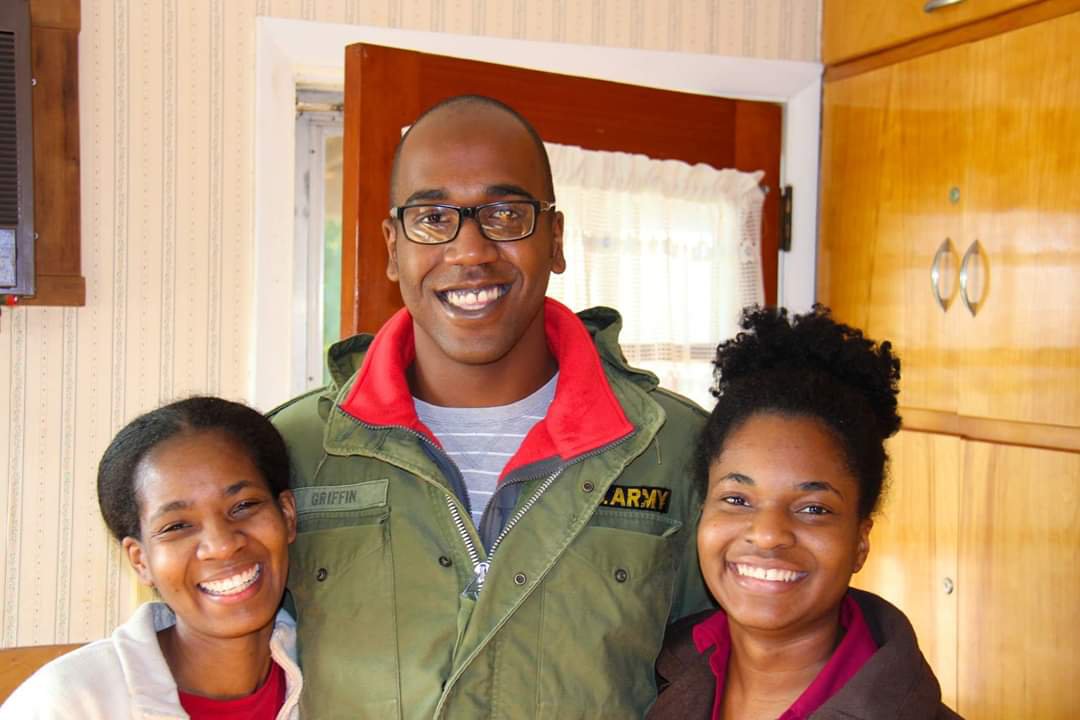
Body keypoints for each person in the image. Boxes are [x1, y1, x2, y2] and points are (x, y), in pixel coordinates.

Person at [269, 95, 711, 718]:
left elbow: (743, 672)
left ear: (556, 239)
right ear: (393, 247)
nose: (470, 251)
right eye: (432, 217)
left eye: (505, 214)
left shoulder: (679, 450)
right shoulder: (292, 450)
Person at [647, 306, 961, 720]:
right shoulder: (650, 675)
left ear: (860, 541)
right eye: (737, 499)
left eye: (813, 508)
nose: (768, 534)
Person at [0, 397, 302, 719]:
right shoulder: (67, 704)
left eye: (243, 506)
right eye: (177, 526)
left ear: (287, 515)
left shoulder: (328, 678)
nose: (222, 546)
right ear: (141, 560)